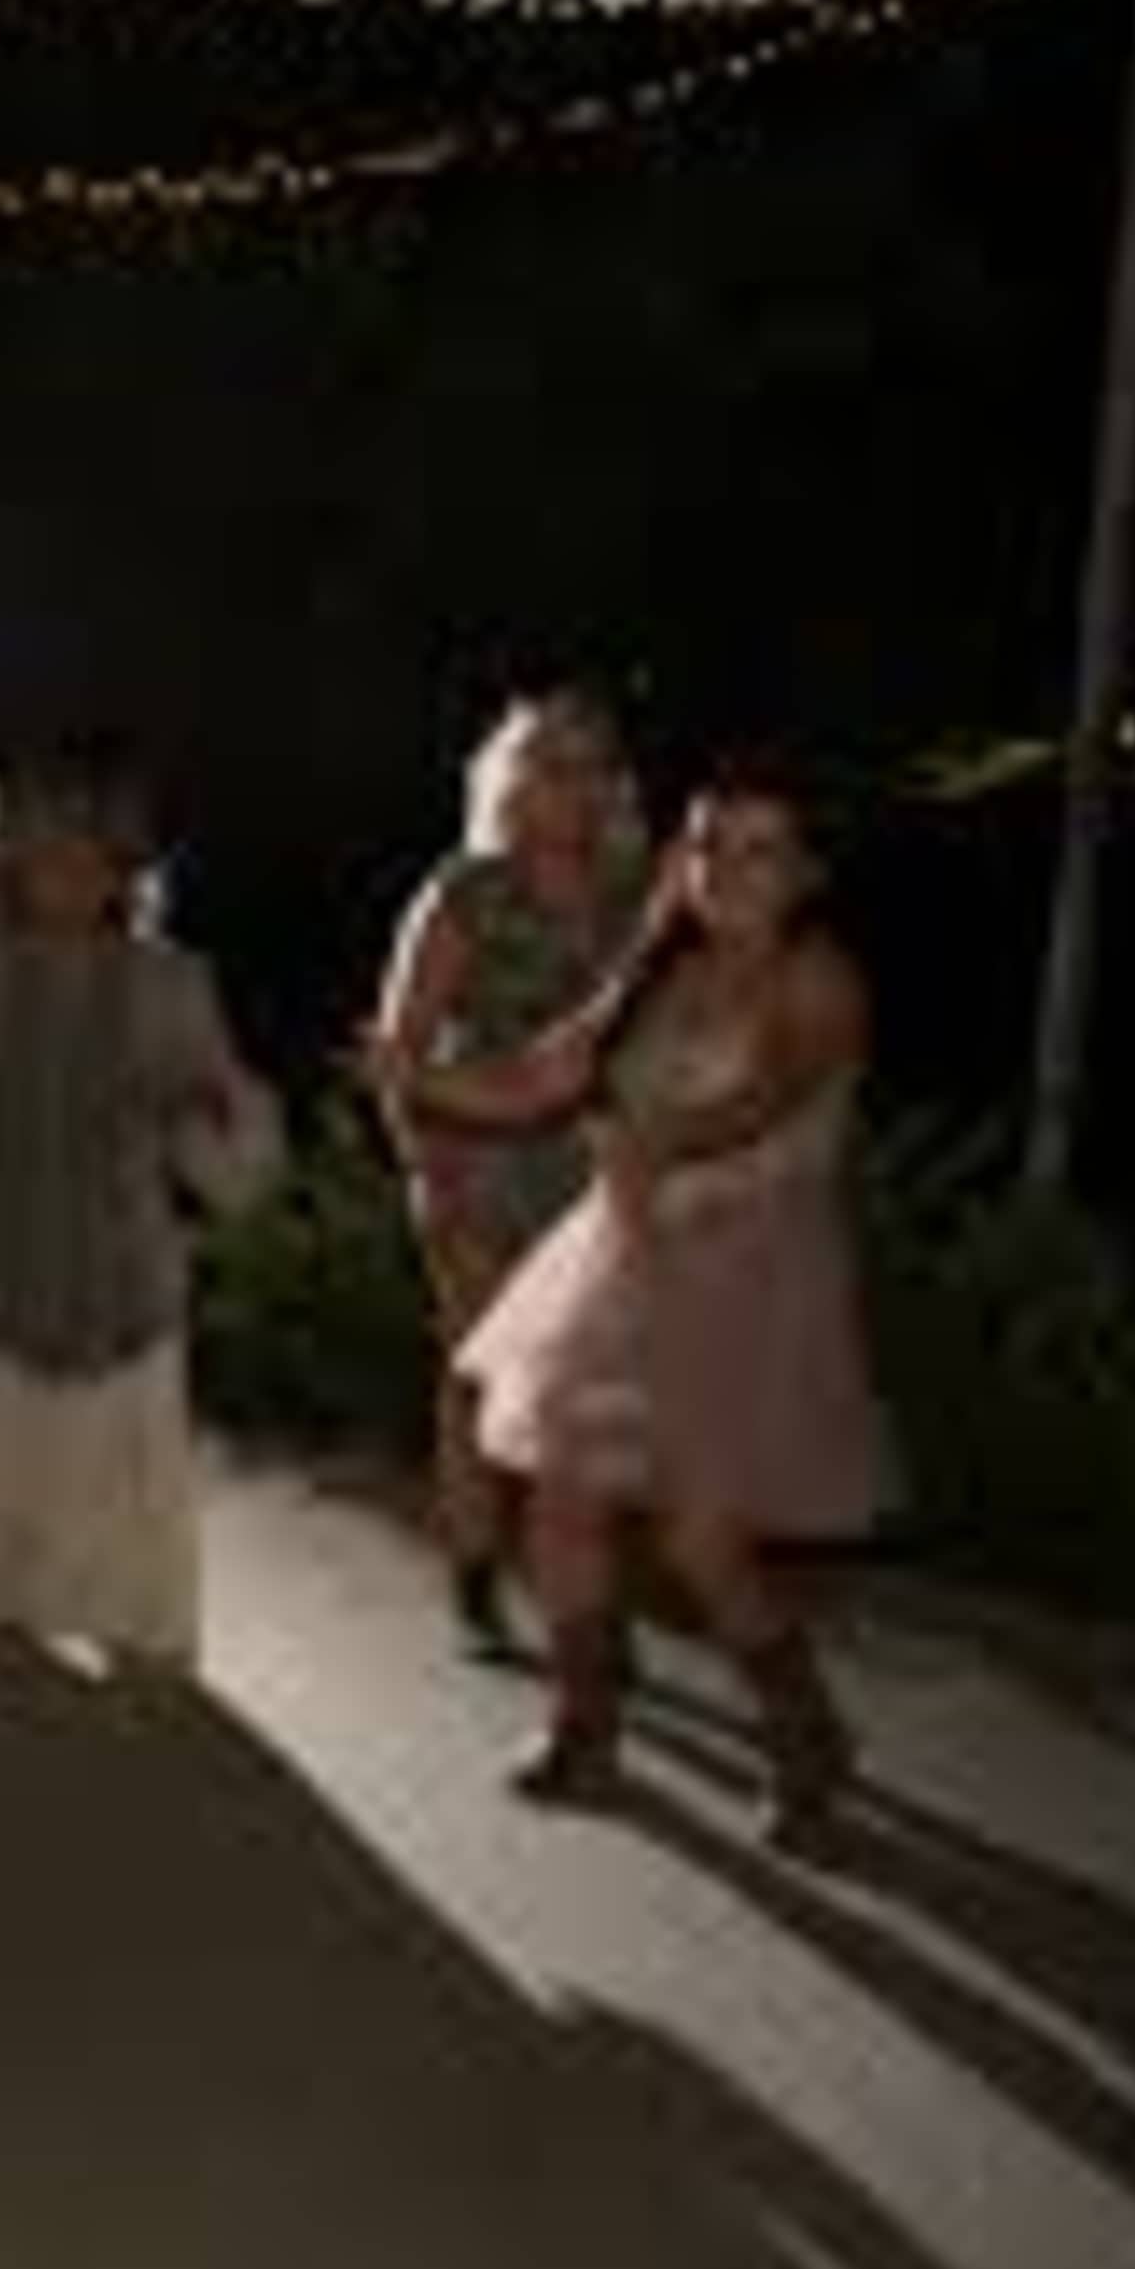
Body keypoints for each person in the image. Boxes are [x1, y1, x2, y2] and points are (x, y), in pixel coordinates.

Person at [435, 765, 892, 1845]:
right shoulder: (656, 972)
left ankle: (806, 1732)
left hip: (752, 1275)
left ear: (805, 873)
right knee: (560, 1504)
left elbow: (767, 1094)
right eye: (704, 846)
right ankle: (585, 1721)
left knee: (702, 1539)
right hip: (626, 1258)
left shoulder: (818, 977)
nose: (724, 870)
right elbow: (549, 1076)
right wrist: (425, 1078)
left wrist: (660, 1139)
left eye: (757, 848)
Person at [0, 740, 275, 1678]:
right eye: (44, 852)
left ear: (122, 868)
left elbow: (229, 1147)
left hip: (118, 1269)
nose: (67, 872)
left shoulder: (170, 979)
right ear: (10, 863)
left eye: (89, 853)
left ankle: (123, 1610)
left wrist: (206, 1111)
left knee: (112, 1452)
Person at [367, 687, 647, 1658]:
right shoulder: (464, 889)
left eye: (588, 763)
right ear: (513, 779)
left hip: (598, 1169)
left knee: (588, 1386)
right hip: (473, 1157)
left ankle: (581, 1588)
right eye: (547, 762)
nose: (568, 784)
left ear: (613, 783)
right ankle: (477, 1573)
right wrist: (425, 1169)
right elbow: (398, 1049)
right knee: (483, 1376)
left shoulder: (638, 895)